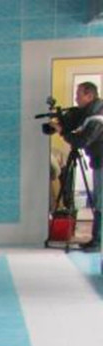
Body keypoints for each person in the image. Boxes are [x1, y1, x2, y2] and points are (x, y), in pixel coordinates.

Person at [53, 81, 103, 251]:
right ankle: (96, 241)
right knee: (99, 201)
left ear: (90, 96)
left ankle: (97, 242)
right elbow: (76, 123)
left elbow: (82, 141)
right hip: (99, 161)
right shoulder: (90, 112)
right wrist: (62, 123)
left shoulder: (97, 117)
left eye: (79, 95)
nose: (76, 98)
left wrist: (62, 131)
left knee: (100, 203)